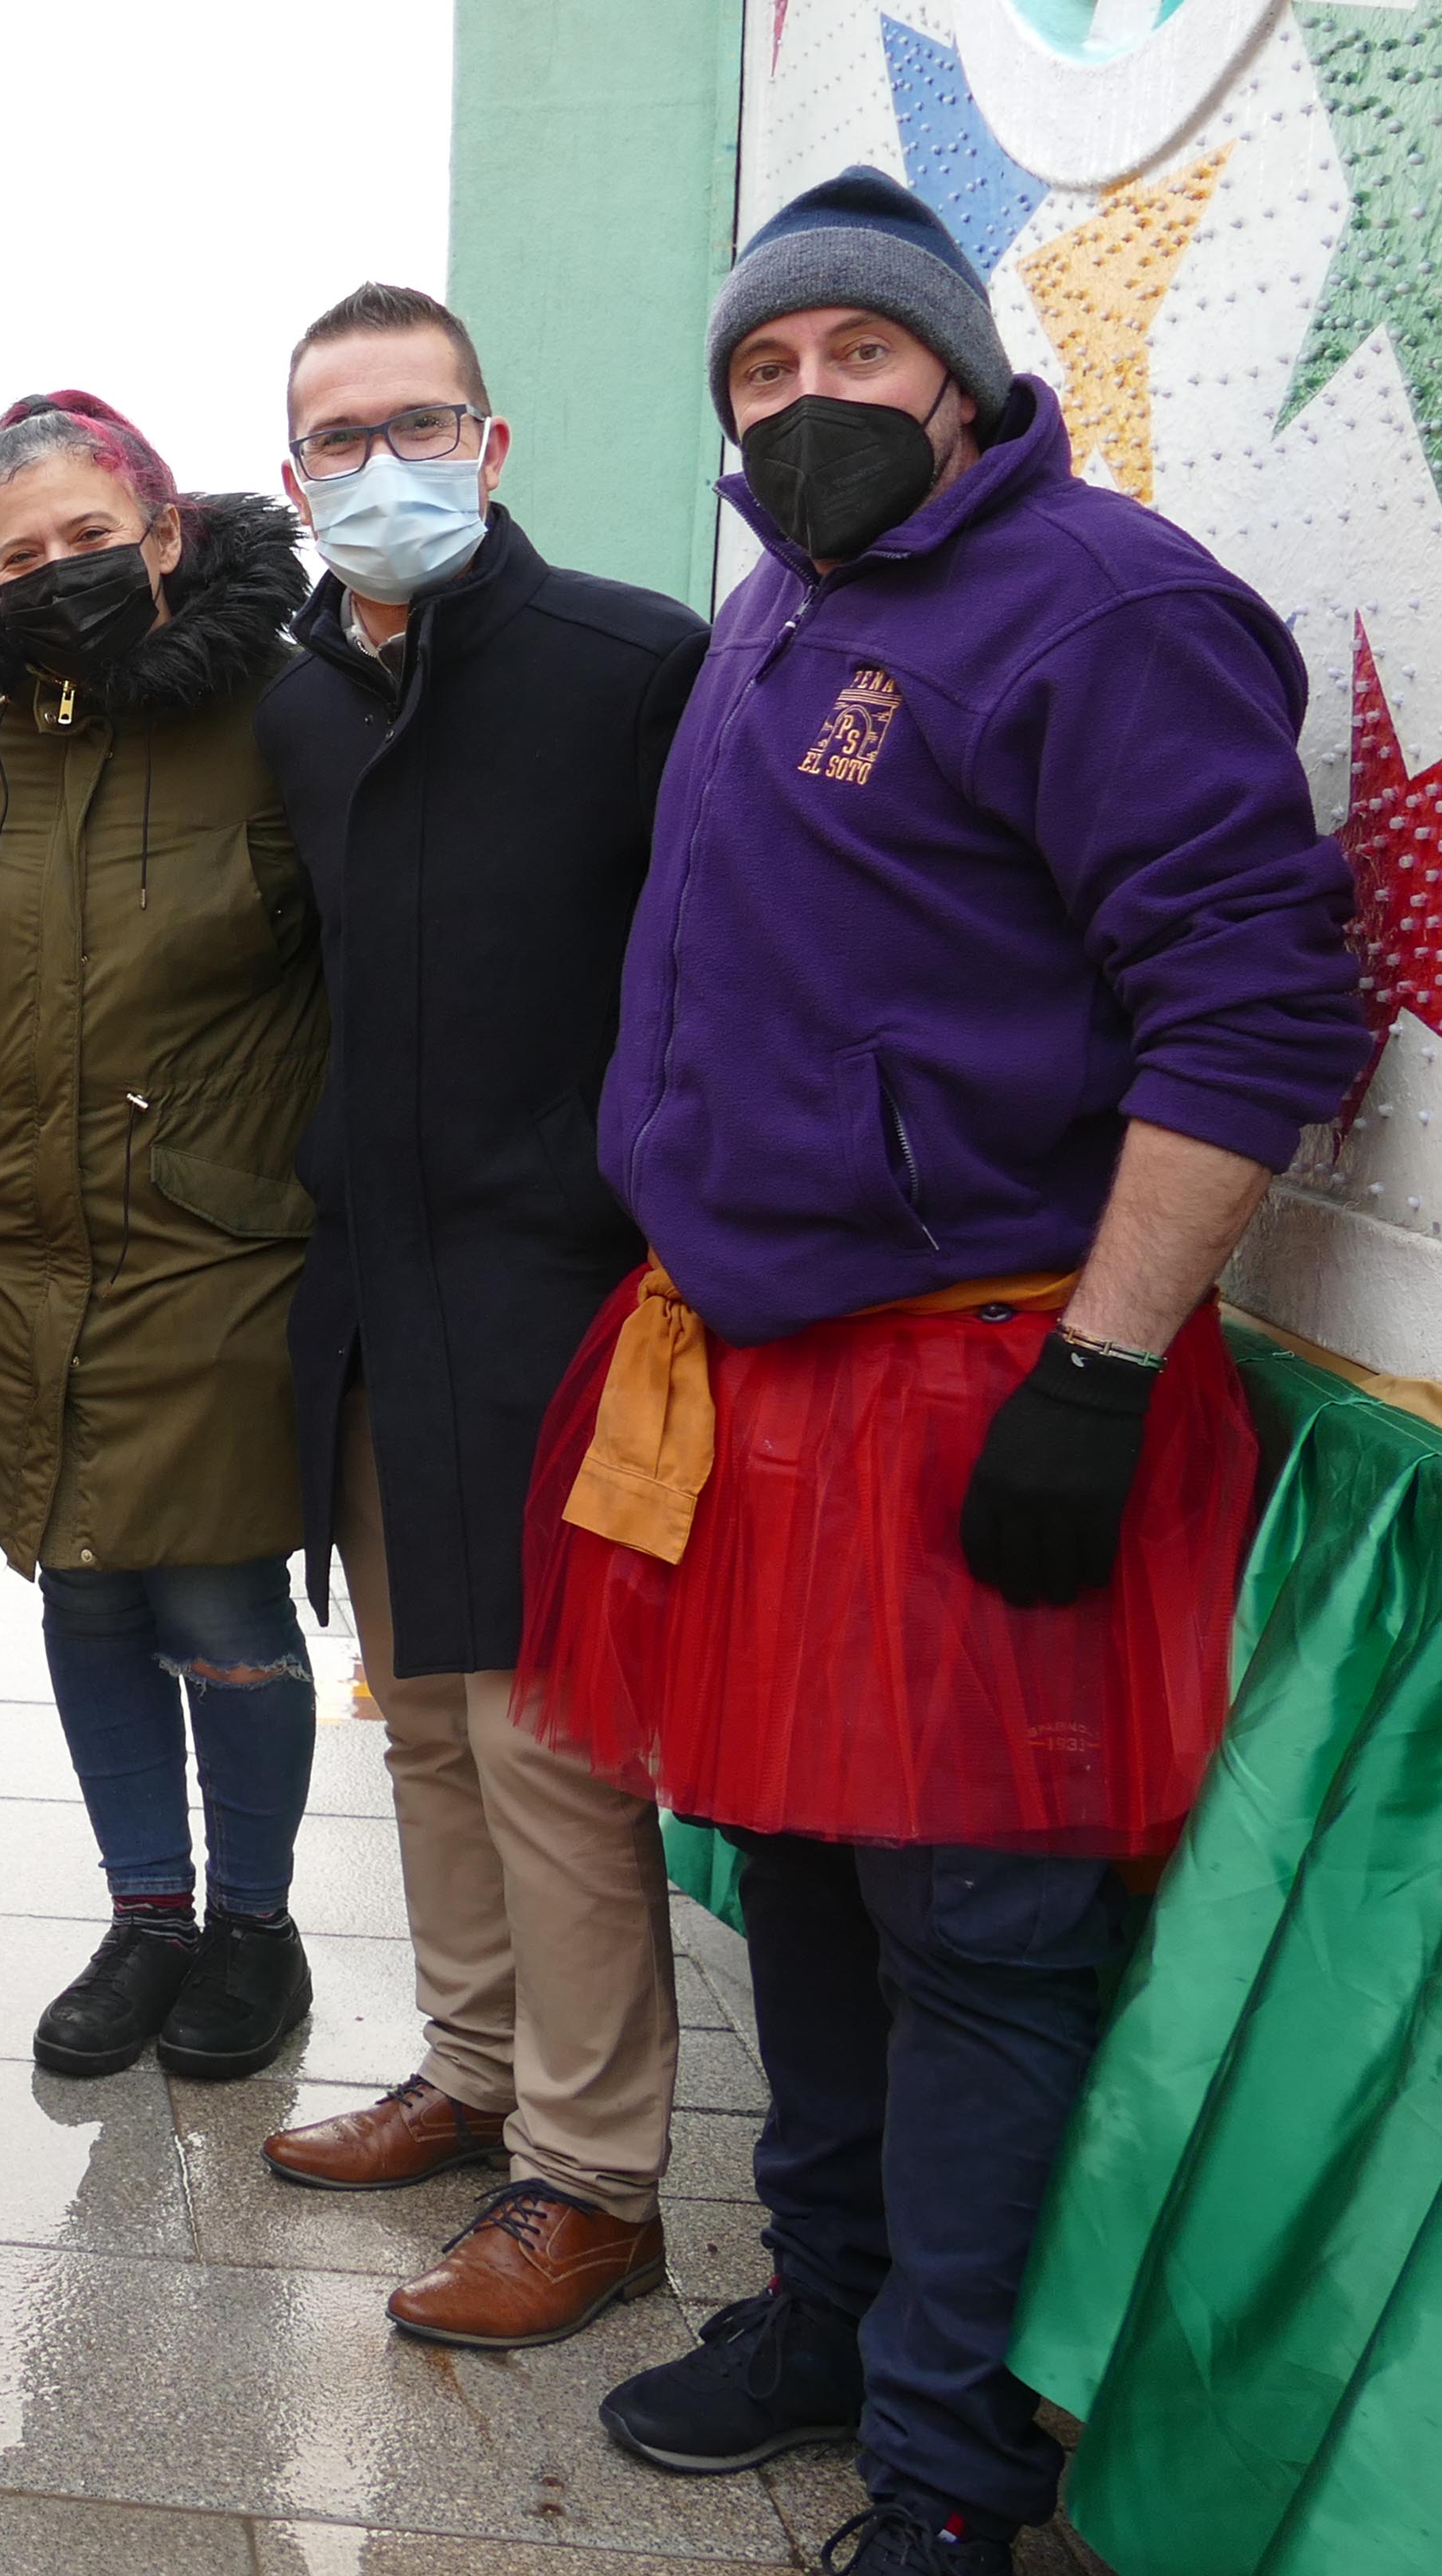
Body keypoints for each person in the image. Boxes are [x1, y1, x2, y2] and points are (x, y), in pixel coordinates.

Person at [524, 171, 1361, 2576]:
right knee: (793, 1870)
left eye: (857, 360)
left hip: (982, 1384)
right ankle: (830, 2301)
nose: (808, 405)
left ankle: (953, 2464)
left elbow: (1255, 995)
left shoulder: (1106, 608)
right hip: (757, 1374)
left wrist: (1101, 1378)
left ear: (964, 377)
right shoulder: (782, 599)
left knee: (980, 1943)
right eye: (762, 374)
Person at [249, 282, 709, 2350]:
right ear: (291, 478)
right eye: (335, 439)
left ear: (494, 444)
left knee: (548, 1748)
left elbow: (720, 976)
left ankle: (595, 2184)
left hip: (564, 1303)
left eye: (416, 424)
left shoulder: (633, 667)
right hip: (372, 1293)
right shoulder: (300, 701)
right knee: (423, 1724)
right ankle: (476, 2075)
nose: (379, 468)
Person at [0, 391, 325, 2086]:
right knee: (81, 1588)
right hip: (19, 1248)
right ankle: (145, 1912)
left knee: (223, 1607)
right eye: (27, 554)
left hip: (218, 1252)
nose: (64, 572)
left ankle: (256, 1926)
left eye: (94, 535)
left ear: (165, 530)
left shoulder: (288, 714)